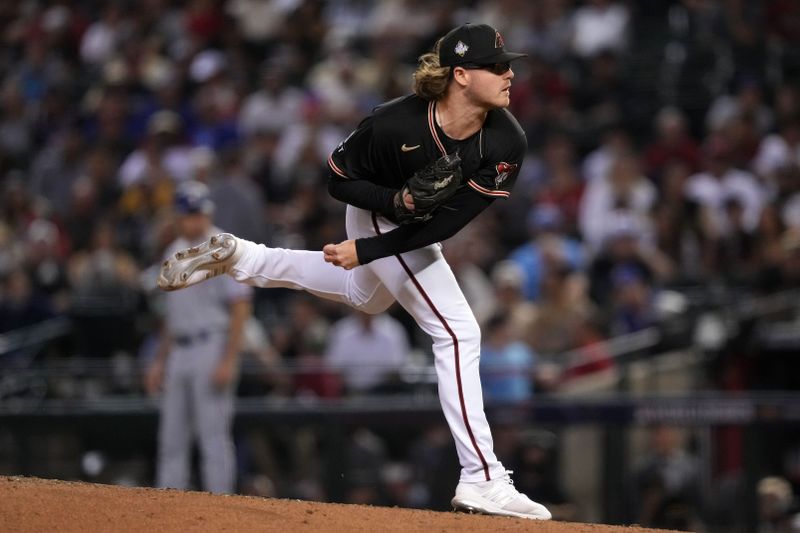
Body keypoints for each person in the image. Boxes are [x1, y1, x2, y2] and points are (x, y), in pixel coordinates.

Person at [159, 23, 551, 520]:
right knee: (457, 333)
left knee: (364, 297)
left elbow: (447, 224)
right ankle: (482, 476)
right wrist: (386, 211)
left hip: (407, 230)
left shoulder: (505, 141)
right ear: (461, 75)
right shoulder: (396, 123)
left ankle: (243, 257)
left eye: (507, 64)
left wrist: (368, 253)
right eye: (496, 66)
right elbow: (338, 178)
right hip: (374, 207)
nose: (509, 73)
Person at [145, 180, 253, 494]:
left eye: (200, 212)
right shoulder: (171, 250)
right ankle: (165, 512)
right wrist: (159, 361)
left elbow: (241, 307)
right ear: (178, 215)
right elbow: (172, 315)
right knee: (171, 439)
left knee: (213, 437)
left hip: (211, 345)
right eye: (189, 213)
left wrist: (229, 359)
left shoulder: (223, 248)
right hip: (179, 349)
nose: (196, 219)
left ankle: (220, 513)